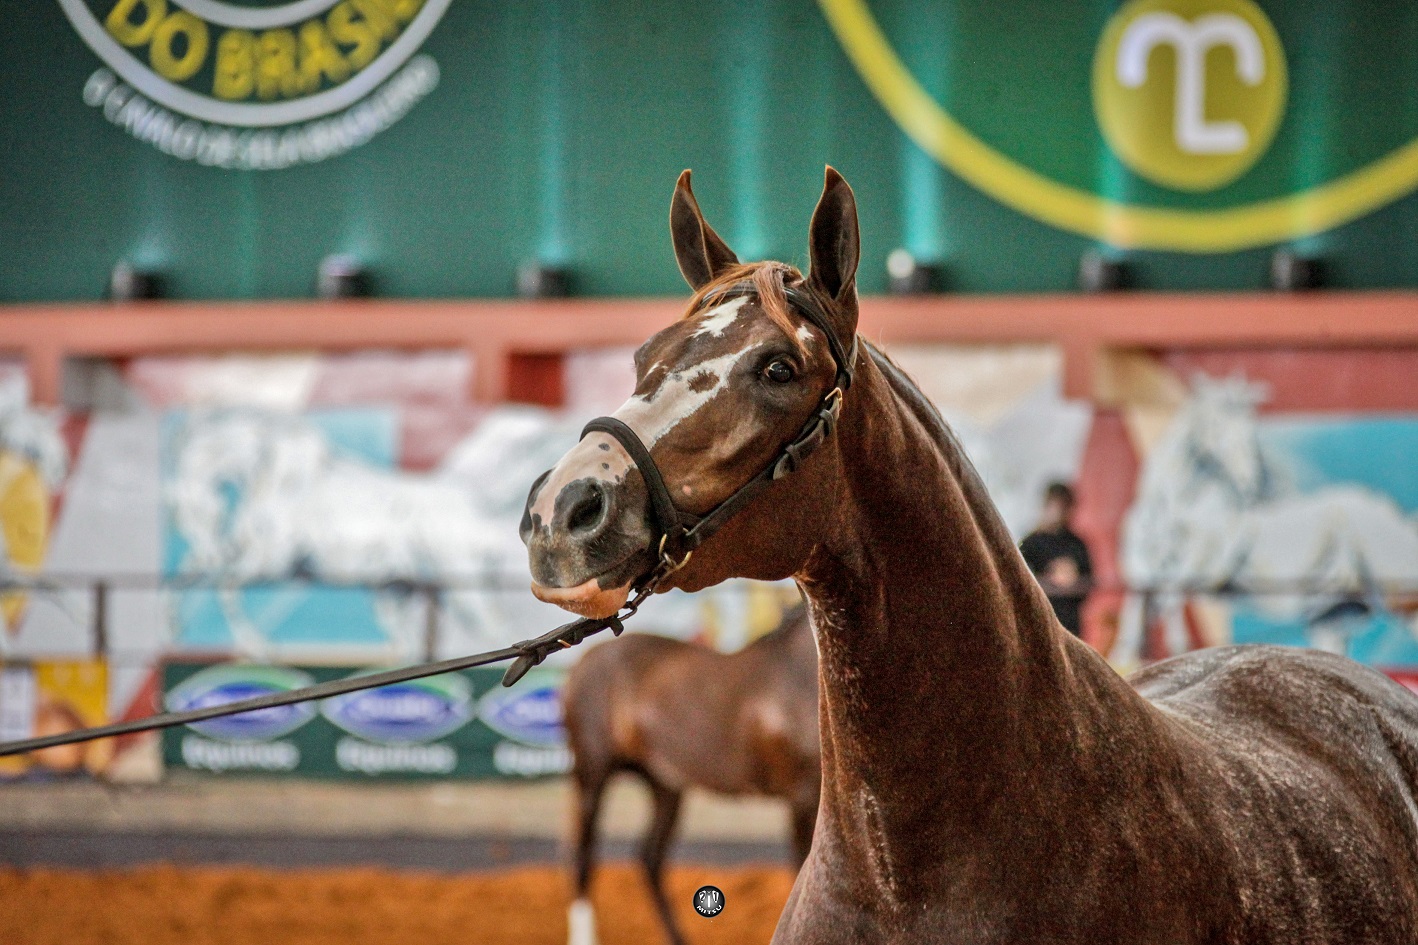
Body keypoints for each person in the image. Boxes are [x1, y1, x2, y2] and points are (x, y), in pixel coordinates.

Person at [1020, 482, 1093, 637]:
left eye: (1062, 506)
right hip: (1038, 621)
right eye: (1054, 505)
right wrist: (1049, 579)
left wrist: (1072, 578)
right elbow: (1019, 581)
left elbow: (1088, 581)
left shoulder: (1077, 544)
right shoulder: (1030, 544)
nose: (1057, 512)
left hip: (1069, 625)